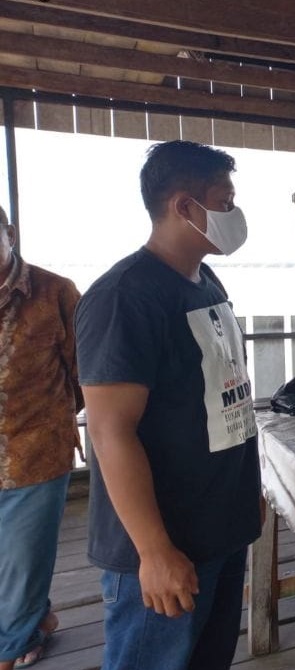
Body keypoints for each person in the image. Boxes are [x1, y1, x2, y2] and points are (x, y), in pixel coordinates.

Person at [75, 141, 261, 670]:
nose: (234, 214)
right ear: (185, 207)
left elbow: (225, 400)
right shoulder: (124, 296)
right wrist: (154, 553)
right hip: (164, 542)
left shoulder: (205, 282)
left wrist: (246, 497)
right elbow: (111, 433)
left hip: (220, 526)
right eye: (224, 201)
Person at [0, 207, 83, 670]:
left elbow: (85, 372)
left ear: (10, 234)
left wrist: (52, 419)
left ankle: (13, 644)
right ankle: (38, 617)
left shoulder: (55, 292)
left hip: (35, 450)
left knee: (23, 555)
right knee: (12, 558)